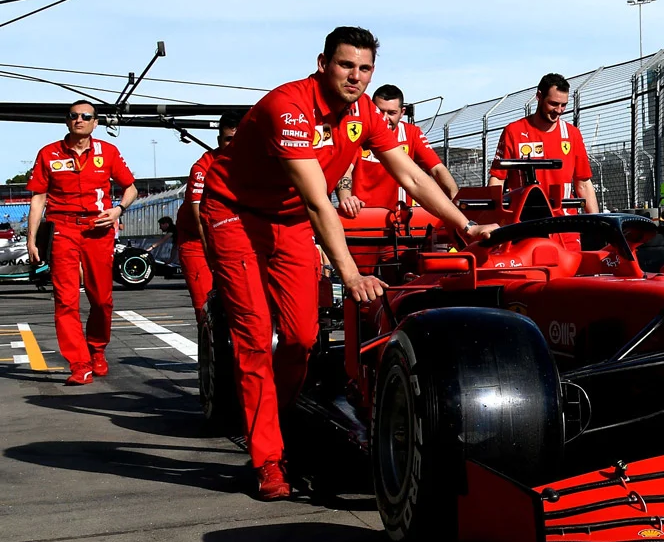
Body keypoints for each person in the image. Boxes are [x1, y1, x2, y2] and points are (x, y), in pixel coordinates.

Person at [201, 27, 494, 499]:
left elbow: (412, 176)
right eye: (345, 65)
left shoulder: (365, 113)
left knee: (300, 337)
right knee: (255, 337)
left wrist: (464, 225)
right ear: (323, 64)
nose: (355, 76)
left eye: (364, 68)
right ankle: (268, 459)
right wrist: (351, 274)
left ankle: (277, 417)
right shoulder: (288, 108)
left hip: (288, 221)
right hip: (236, 215)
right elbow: (319, 202)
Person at [25, 100, 139, 385]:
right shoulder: (48, 153)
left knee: (101, 299)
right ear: (67, 121)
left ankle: (97, 349)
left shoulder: (108, 151)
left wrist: (118, 210)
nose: (79, 119)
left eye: (86, 116)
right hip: (62, 230)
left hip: (98, 230)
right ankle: (79, 363)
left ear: (95, 123)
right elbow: (38, 197)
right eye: (74, 115)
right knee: (65, 300)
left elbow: (131, 188)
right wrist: (31, 239)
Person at [336, 84, 459, 217]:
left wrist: (457, 200)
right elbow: (344, 169)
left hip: (401, 218)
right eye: (380, 111)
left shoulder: (412, 134)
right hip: (363, 216)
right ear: (371, 109)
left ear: (402, 113)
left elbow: (437, 169)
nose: (385, 118)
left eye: (391, 113)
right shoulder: (357, 131)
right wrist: (346, 198)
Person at [490, 73, 598, 213]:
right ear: (539, 96)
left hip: (564, 220)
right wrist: (493, 216)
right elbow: (497, 178)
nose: (559, 110)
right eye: (553, 104)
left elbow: (583, 184)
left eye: (563, 105)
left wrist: (599, 223)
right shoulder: (513, 131)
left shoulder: (572, 134)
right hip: (524, 219)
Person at [176, 111, 242, 321]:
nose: (233, 145)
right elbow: (199, 220)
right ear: (219, 140)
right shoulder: (202, 168)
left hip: (232, 237)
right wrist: (213, 260)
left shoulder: (255, 165)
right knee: (205, 307)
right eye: (228, 139)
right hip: (197, 240)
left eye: (239, 139)